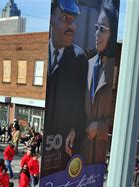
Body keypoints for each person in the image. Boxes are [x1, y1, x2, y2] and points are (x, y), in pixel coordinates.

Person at [42, 0, 88, 177]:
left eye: (73, 20)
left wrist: (75, 128)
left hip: (62, 147)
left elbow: (80, 104)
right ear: (52, 19)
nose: (71, 26)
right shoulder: (43, 50)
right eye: (64, 18)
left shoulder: (78, 58)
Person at [81, 1, 118, 165]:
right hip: (81, 148)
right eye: (96, 28)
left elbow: (119, 116)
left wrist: (100, 128)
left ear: (112, 35)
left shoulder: (115, 67)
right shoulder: (87, 63)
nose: (97, 34)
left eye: (102, 30)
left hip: (98, 151)